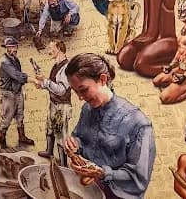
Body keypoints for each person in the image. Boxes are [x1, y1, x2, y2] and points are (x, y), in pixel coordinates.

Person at [62, 53, 156, 199]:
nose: (80, 98)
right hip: (88, 190)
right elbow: (80, 138)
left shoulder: (139, 124)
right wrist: (75, 144)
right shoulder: (87, 109)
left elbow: (138, 178)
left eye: (83, 90)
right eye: (76, 92)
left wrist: (103, 173)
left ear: (103, 79)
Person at [31, 40, 72, 165]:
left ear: (59, 48)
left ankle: (63, 164)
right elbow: (52, 85)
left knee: (60, 134)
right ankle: (49, 151)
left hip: (61, 107)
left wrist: (45, 81)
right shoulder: (56, 65)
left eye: (51, 48)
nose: (49, 51)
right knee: (49, 128)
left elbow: (61, 90)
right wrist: (41, 84)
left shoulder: (66, 68)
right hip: (54, 104)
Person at [0, 37, 35, 149]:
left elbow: (19, 76)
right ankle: (2, 142)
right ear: (7, 48)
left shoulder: (16, 60)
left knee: (20, 115)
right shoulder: (4, 62)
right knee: (7, 118)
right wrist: (33, 80)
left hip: (17, 91)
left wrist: (22, 88)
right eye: (12, 47)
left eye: (15, 46)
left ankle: (22, 137)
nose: (15, 49)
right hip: (9, 94)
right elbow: (17, 75)